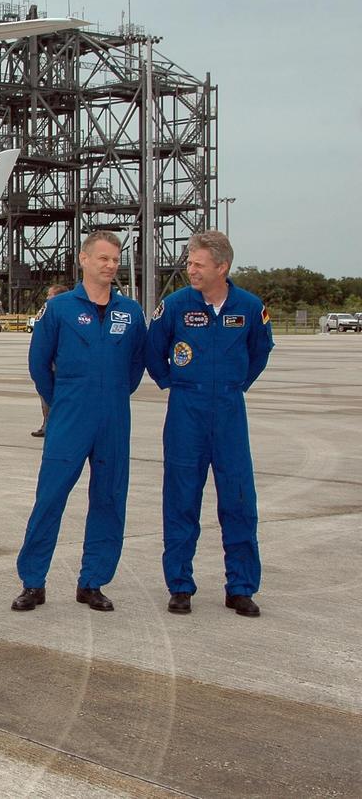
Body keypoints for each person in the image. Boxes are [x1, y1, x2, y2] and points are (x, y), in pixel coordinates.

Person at [11, 231, 146, 613]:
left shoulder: (130, 312)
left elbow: (137, 364)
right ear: (83, 260)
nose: (110, 265)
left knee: (109, 499)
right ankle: (33, 583)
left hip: (114, 417)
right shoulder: (60, 309)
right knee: (50, 498)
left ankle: (93, 582)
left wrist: (114, 393)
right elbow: (39, 363)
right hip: (70, 415)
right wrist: (63, 400)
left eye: (115, 259)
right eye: (103, 258)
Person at [146, 230, 273, 618]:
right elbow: (154, 352)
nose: (191, 269)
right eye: (189, 263)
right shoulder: (176, 306)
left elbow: (260, 351)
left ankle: (241, 587)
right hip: (187, 410)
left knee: (238, 499)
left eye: (198, 264)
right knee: (181, 498)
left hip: (230, 412)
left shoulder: (250, 308)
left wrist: (235, 385)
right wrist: (177, 384)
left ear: (222, 267)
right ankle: (180, 585)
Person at [30, 284, 68, 437]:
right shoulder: (50, 311)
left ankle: (51, 425)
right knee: (46, 395)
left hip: (56, 364)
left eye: (49, 295)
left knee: (51, 396)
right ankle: (47, 424)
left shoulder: (59, 311)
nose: (47, 298)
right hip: (50, 364)